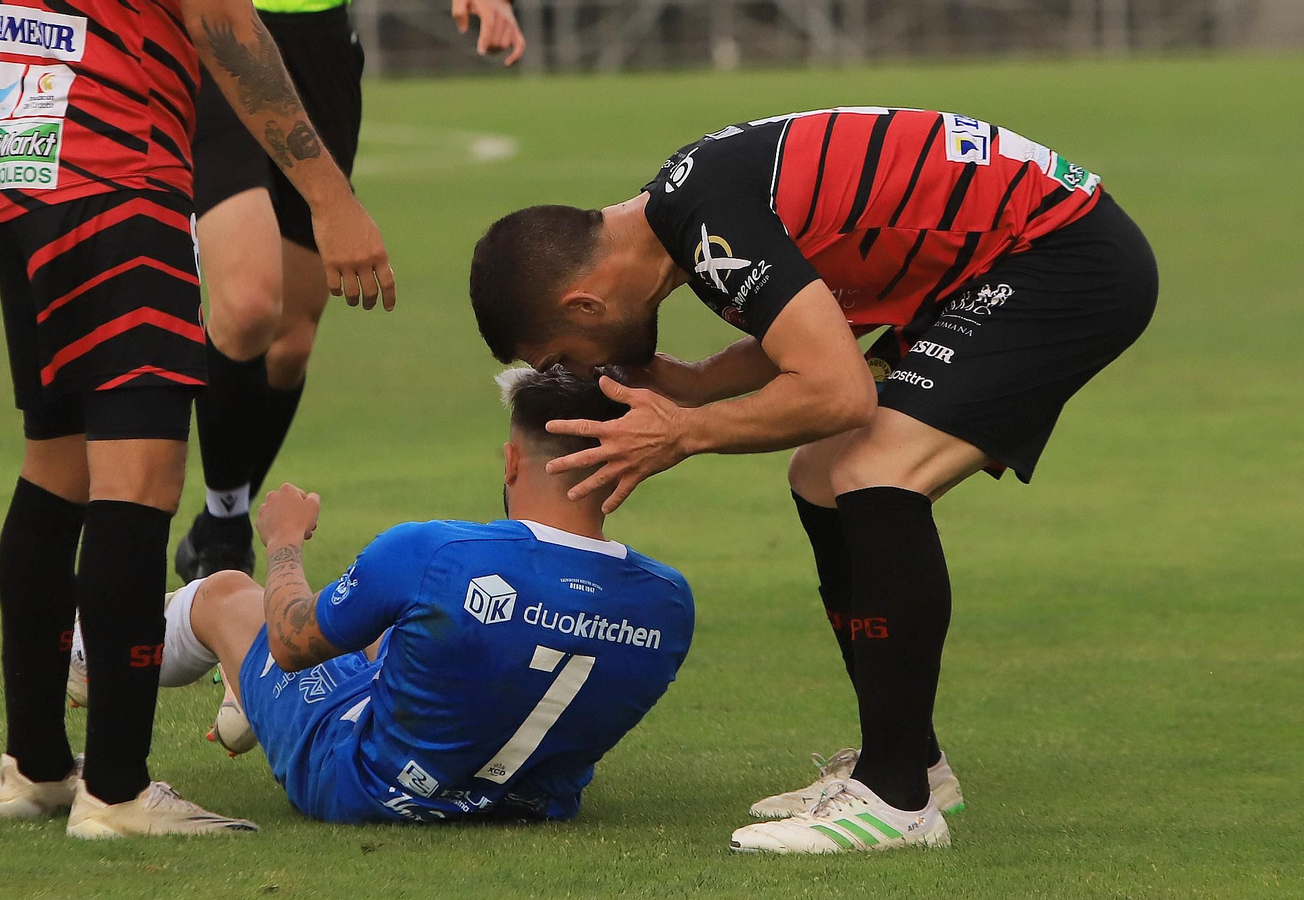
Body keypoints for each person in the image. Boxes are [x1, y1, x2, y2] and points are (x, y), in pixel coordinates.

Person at [467, 107, 1157, 853]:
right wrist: (696, 383)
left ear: (583, 304)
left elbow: (838, 392)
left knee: (873, 465)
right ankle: (913, 758)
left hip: (1061, 256)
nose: (582, 372)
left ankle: (897, 801)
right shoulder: (684, 212)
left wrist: (685, 431)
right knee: (822, 472)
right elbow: (816, 319)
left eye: (566, 356)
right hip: (1004, 259)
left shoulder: (707, 224)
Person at [0, 0, 395, 839]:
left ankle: (37, 767)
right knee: (139, 477)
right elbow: (225, 22)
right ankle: (117, 791)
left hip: (22, 152)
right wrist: (330, 198)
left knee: (57, 461)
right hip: (115, 172)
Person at [73, 367, 693, 823]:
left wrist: (286, 542)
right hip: (531, 802)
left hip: (362, 786)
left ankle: (79, 659)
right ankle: (246, 691)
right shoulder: (670, 602)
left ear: (511, 461)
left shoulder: (435, 552)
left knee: (226, 594)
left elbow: (292, 642)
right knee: (408, 624)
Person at [174, 0, 526, 580]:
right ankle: (225, 540)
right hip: (219, 28)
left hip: (319, 44)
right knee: (249, 304)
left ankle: (219, 519)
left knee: (289, 342)